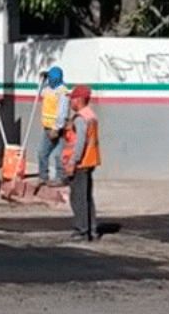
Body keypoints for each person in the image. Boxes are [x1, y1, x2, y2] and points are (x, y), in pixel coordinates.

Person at [62, 84, 101, 241]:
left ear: (79, 99)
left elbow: (79, 143)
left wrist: (73, 161)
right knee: (87, 197)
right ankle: (92, 229)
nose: (71, 102)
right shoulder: (91, 115)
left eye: (72, 99)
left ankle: (82, 230)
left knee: (78, 198)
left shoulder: (80, 118)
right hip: (90, 160)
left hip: (80, 163)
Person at [36, 66, 69, 186]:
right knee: (42, 152)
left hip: (58, 128)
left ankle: (61, 177)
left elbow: (62, 112)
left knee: (58, 155)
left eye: (51, 78)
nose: (50, 80)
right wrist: (41, 79)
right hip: (47, 127)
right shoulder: (48, 89)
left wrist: (56, 128)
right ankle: (43, 176)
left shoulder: (62, 91)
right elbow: (39, 93)